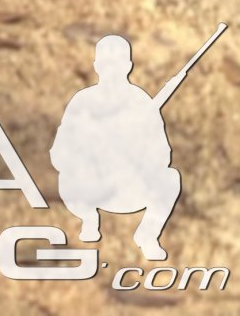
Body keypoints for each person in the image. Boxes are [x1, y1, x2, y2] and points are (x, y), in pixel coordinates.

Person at [51, 34, 188, 260]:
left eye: (118, 63)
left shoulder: (142, 103)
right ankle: (88, 219)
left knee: (170, 178)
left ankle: (148, 235)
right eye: (107, 63)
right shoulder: (83, 101)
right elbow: (59, 153)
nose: (112, 69)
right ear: (97, 66)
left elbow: (162, 154)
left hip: (129, 188)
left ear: (129, 66)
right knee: (68, 178)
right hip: (91, 188)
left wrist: (135, 151)